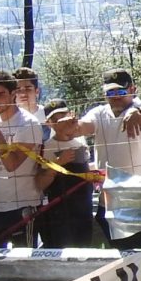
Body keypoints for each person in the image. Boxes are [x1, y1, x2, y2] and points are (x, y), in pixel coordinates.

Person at [66, 69, 141, 251]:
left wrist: (137, 113)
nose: (115, 97)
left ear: (133, 89)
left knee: (133, 253)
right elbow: (82, 127)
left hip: (139, 200)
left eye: (121, 92)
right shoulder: (99, 113)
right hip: (108, 199)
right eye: (110, 93)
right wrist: (68, 126)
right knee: (117, 253)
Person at [0, 69, 44, 248]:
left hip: (23, 206)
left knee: (25, 263)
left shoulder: (29, 123)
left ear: (13, 93)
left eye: (0, 94)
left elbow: (11, 164)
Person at [38, 102, 99, 248]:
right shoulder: (47, 146)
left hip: (84, 207)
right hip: (60, 210)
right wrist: (59, 162)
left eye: (65, 117)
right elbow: (41, 183)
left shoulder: (81, 141)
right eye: (57, 120)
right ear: (49, 123)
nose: (64, 124)